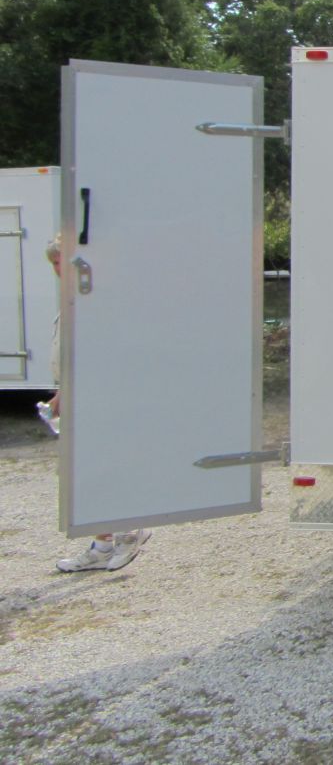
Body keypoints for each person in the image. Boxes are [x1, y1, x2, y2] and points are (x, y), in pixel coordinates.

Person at [43, 236, 152, 572]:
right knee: (87, 471)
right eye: (54, 263)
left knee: (109, 465)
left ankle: (131, 530)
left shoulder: (98, 299)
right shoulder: (73, 299)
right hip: (82, 397)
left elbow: (103, 352)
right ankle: (103, 543)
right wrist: (62, 393)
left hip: (104, 397)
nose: (59, 269)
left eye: (63, 261)